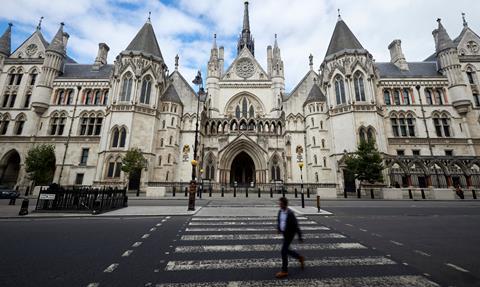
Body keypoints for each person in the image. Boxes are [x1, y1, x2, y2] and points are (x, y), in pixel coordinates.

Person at [275, 197, 305, 279]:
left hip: (290, 234)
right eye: (279, 203)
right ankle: (300, 257)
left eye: (281, 204)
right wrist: (278, 228)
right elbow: (279, 220)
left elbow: (296, 226)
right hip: (285, 233)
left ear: (285, 204)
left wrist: (300, 236)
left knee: (283, 251)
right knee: (287, 250)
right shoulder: (280, 211)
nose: (279, 205)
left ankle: (284, 271)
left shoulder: (290, 214)